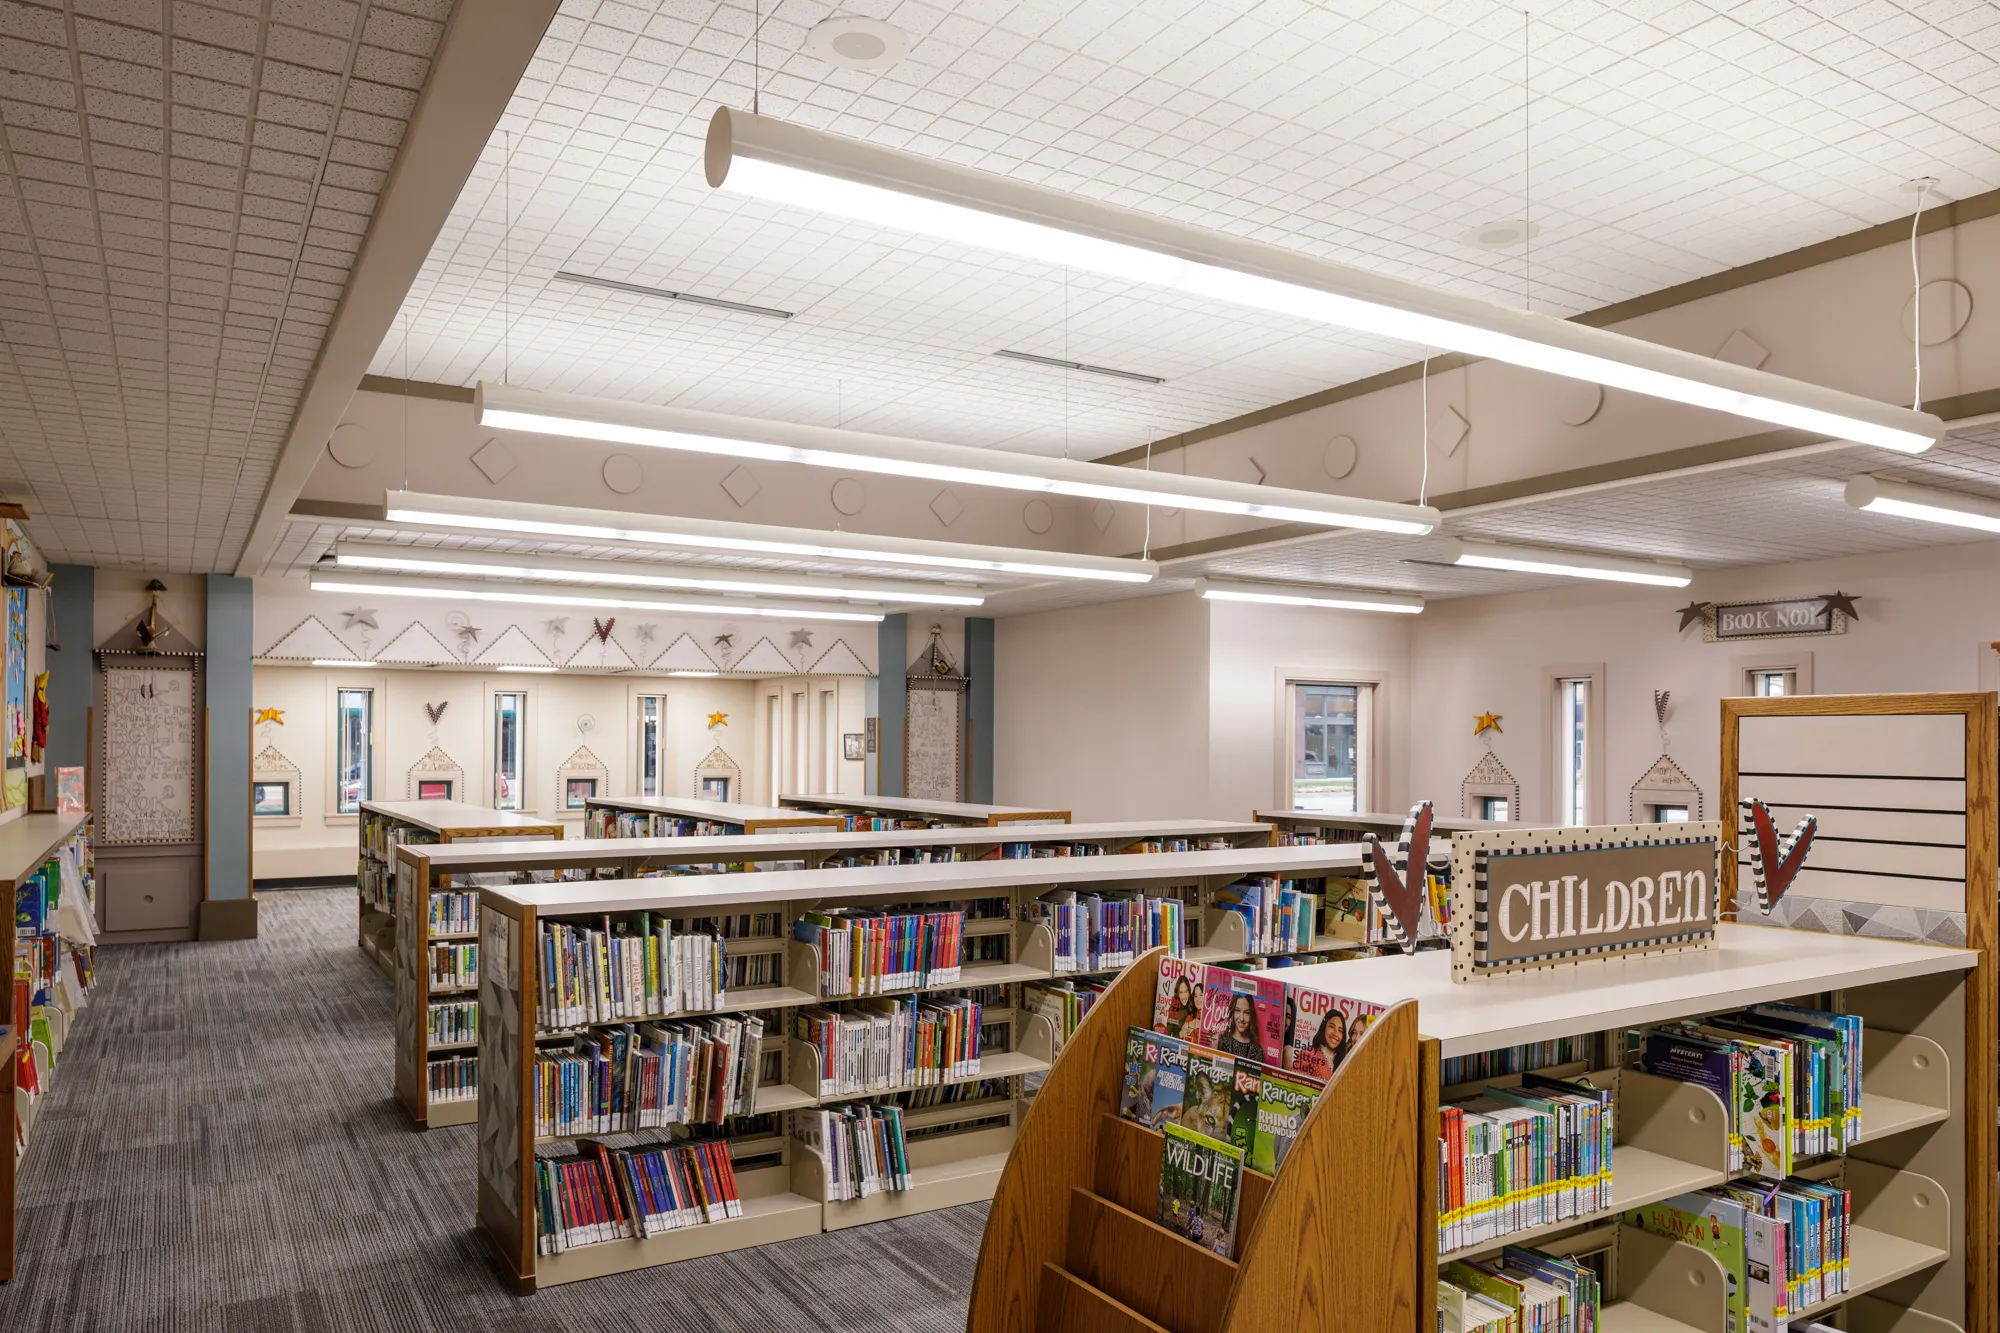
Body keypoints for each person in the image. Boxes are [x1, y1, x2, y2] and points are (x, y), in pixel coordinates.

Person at [1212, 992, 1263, 1061]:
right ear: (1233, 1012)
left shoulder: (1258, 1051)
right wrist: (1214, 1048)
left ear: (1251, 1015)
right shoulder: (1220, 1041)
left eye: (1246, 1013)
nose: (1241, 1018)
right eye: (1238, 1011)